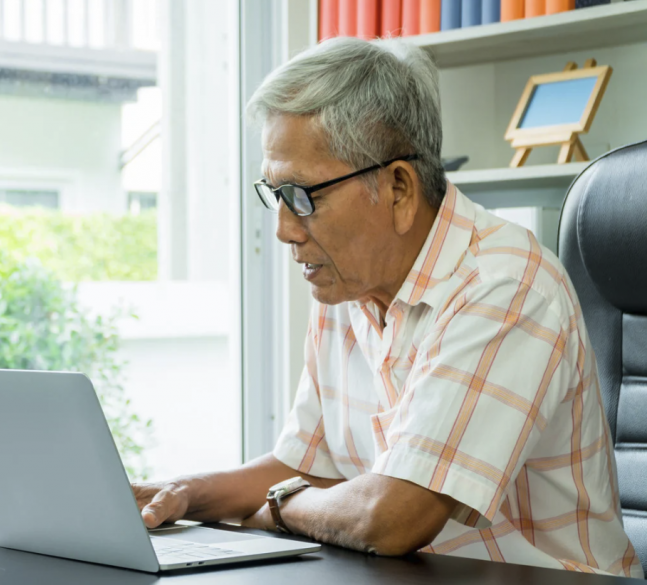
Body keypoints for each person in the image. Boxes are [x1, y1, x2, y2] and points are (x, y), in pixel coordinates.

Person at [132, 37, 642, 577]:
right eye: (274, 195)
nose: (283, 230)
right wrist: (178, 494)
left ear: (397, 187)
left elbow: (394, 516)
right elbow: (304, 466)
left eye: (302, 197)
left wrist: (280, 509)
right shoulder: (344, 282)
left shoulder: (506, 285)